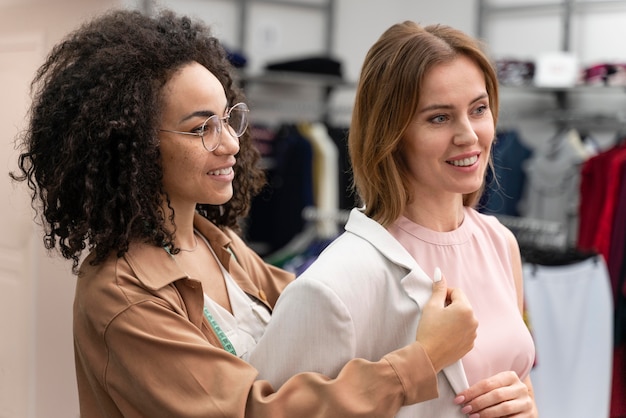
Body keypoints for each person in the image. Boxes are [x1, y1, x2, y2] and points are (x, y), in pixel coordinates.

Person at [11, 9, 479, 417]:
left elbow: (326, 314)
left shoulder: (220, 245)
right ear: (133, 146)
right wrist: (424, 357)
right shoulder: (122, 295)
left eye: (229, 119)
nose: (231, 144)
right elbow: (253, 411)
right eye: (202, 129)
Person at [250, 21, 538, 417]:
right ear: (391, 133)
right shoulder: (334, 284)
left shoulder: (500, 243)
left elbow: (519, 380)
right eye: (439, 118)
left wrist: (527, 403)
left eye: (479, 109)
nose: (469, 135)